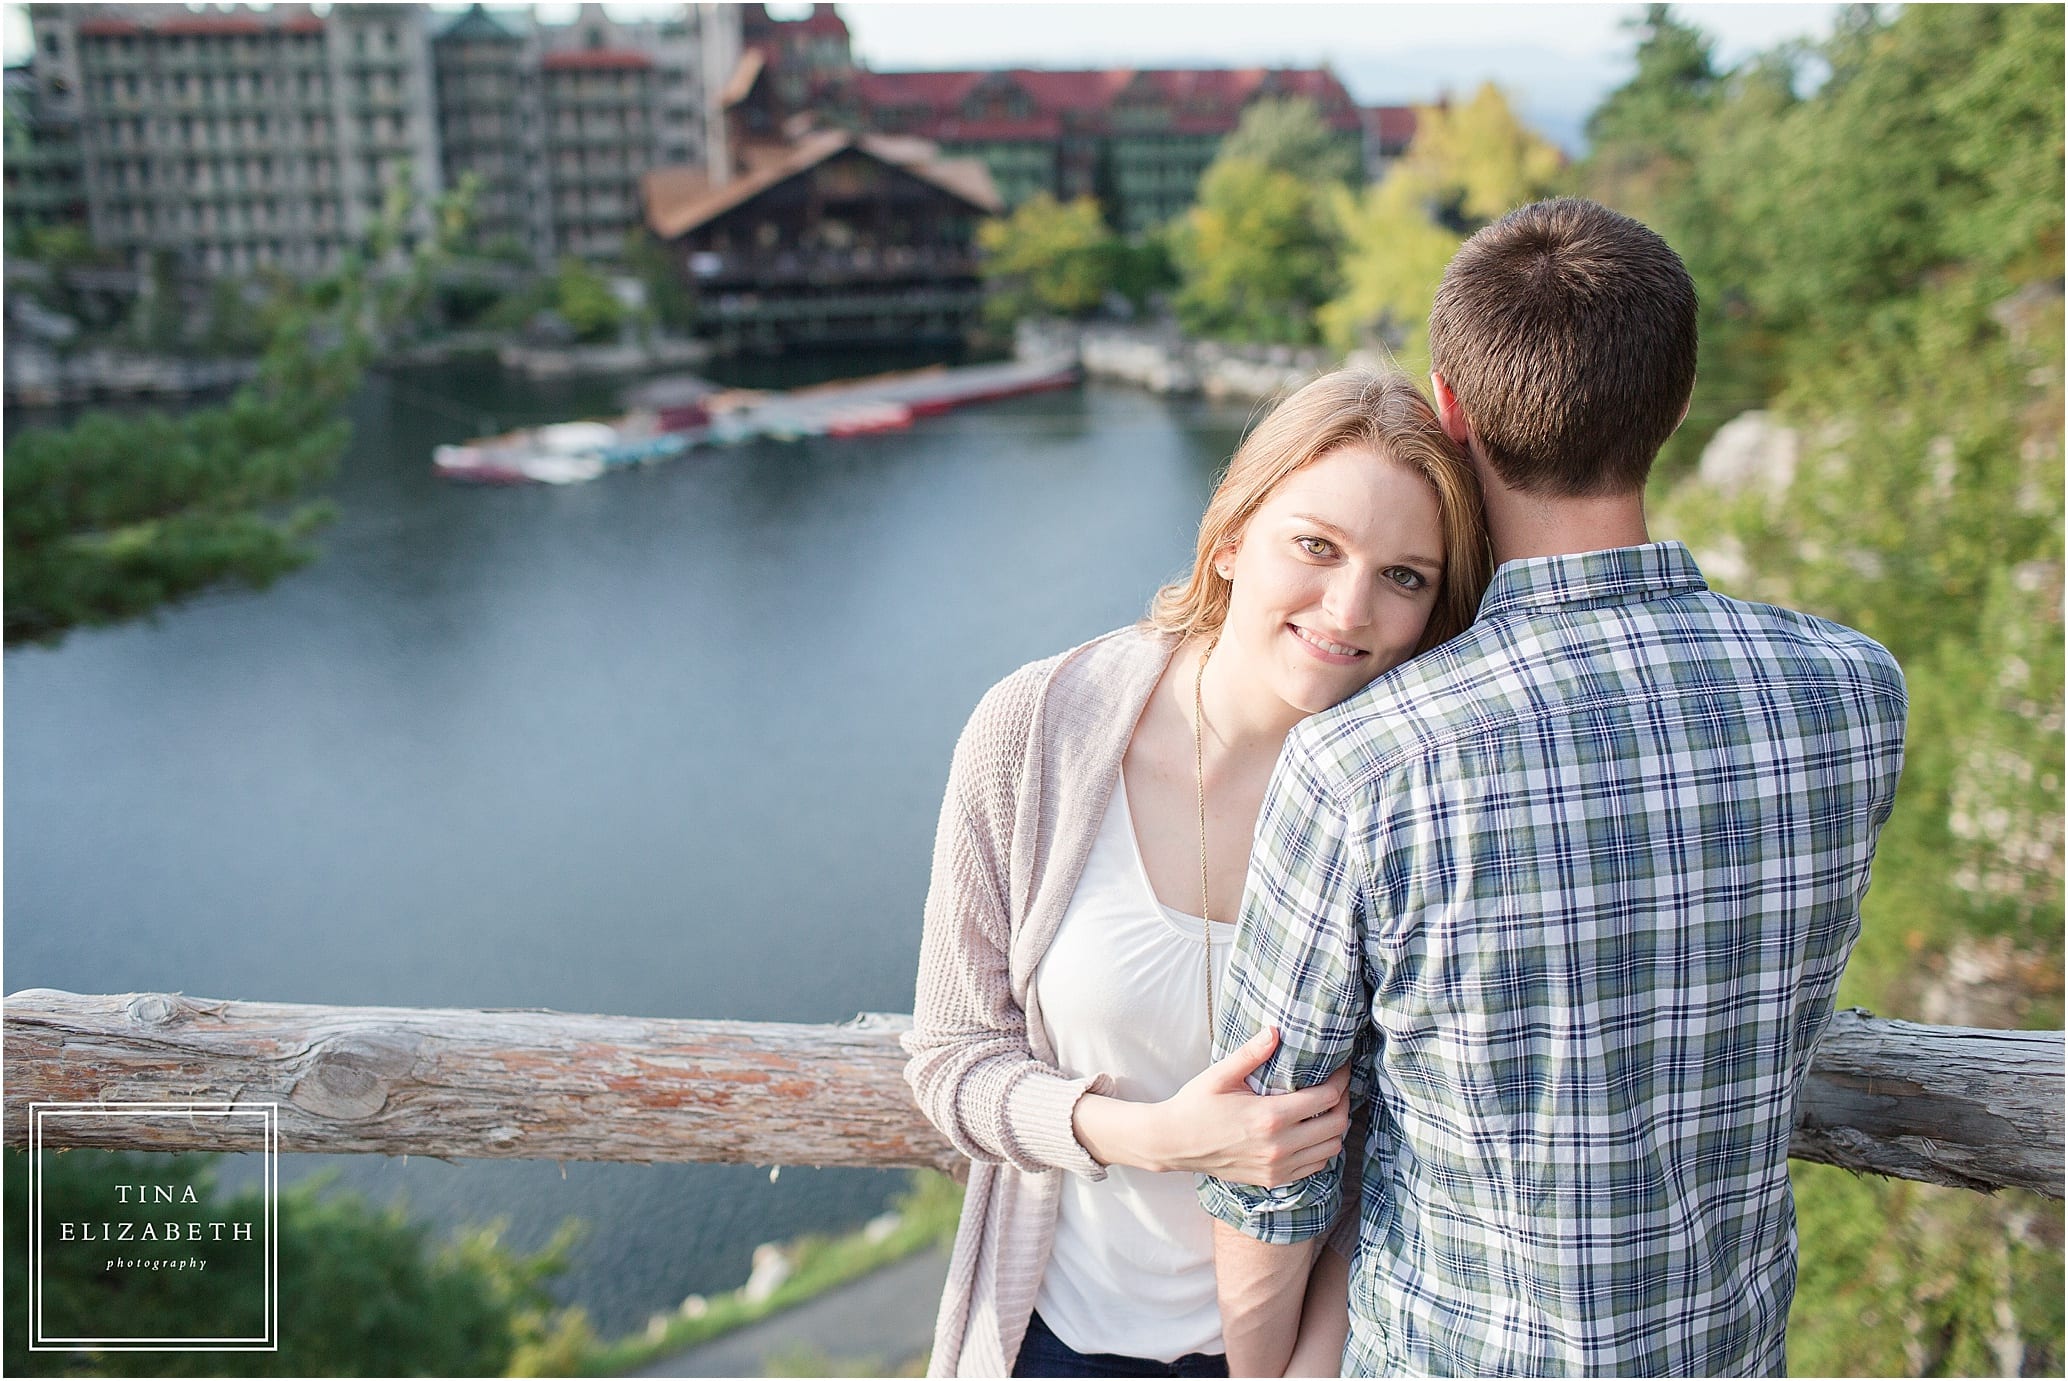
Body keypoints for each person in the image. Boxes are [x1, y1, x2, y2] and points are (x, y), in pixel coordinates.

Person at [1199, 196, 1911, 1377]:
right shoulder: (1855, 692)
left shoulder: (1365, 761)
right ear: (1677, 404)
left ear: (1450, 410)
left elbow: (1270, 1167)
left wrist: (1259, 1368)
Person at [903, 370, 1493, 1378]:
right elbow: (951, 1063)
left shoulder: (1420, 797)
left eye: (1405, 576)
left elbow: (1421, 1138)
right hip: (1056, 1339)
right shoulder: (1039, 728)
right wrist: (1155, 1137)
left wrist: (1313, 1358)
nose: (1347, 607)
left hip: (1299, 1351)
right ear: (1230, 539)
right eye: (1317, 546)